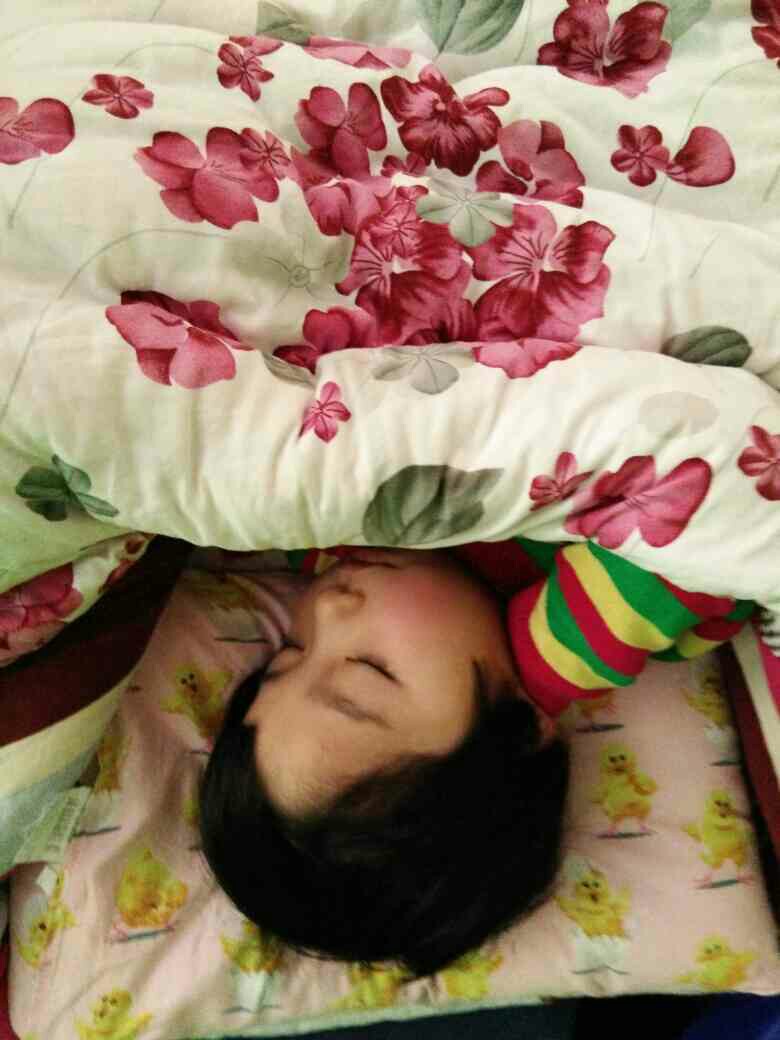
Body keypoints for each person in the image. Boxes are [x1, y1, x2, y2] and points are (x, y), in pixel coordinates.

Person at [199, 547, 571, 981]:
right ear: (519, 732)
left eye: (294, 647)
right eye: (370, 668)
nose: (327, 605)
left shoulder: (323, 543)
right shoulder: (599, 599)